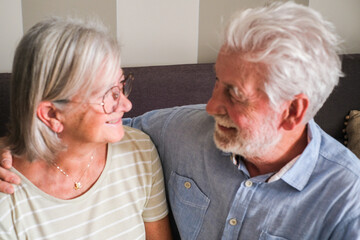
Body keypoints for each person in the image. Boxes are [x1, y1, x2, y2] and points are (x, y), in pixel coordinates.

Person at [1, 2, 360, 239]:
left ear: (293, 112)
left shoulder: (346, 201)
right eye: (216, 82)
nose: (209, 106)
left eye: (233, 94)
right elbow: (90, 133)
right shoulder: (178, 132)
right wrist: (13, 146)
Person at [0, 17, 172, 239]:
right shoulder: (8, 194)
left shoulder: (139, 152)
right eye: (108, 95)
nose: (127, 105)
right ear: (52, 115)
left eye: (121, 85)